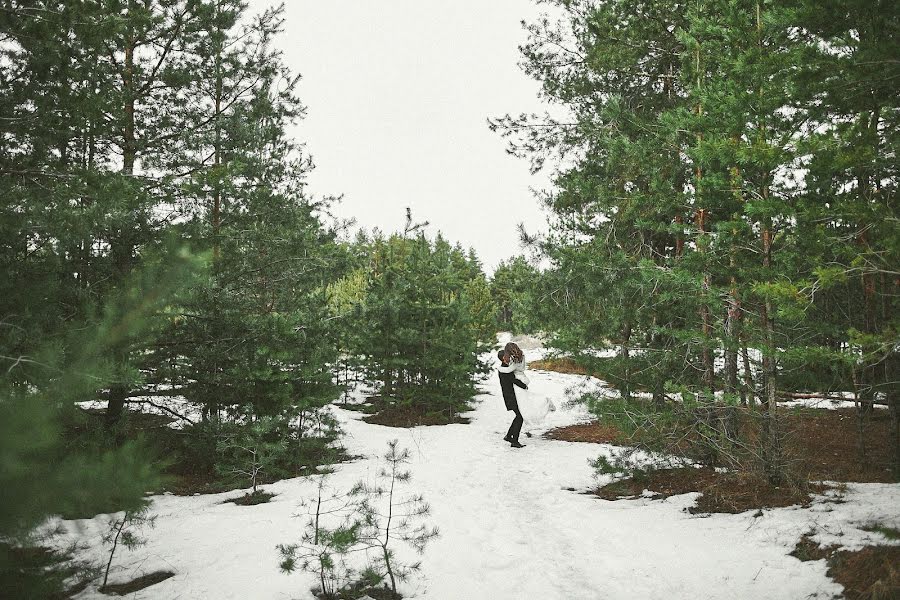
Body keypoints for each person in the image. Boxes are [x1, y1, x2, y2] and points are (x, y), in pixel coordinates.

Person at [497, 350, 527, 448]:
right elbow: (513, 380)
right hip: (510, 396)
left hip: (511, 395)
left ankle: (509, 436)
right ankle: (514, 441)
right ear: (503, 358)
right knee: (520, 416)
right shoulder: (504, 369)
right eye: (508, 356)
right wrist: (524, 386)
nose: (509, 357)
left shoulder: (506, 367)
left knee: (518, 416)